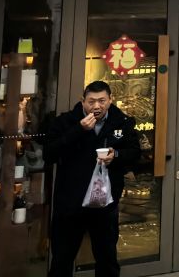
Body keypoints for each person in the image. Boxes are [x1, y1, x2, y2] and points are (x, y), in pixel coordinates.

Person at [44, 81, 141, 277]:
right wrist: (78, 130)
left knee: (107, 259)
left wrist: (116, 155)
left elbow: (135, 152)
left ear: (111, 100)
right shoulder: (66, 121)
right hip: (71, 203)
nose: (96, 106)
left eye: (102, 101)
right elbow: (49, 154)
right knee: (62, 259)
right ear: (83, 101)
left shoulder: (122, 122)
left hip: (105, 204)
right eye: (91, 101)